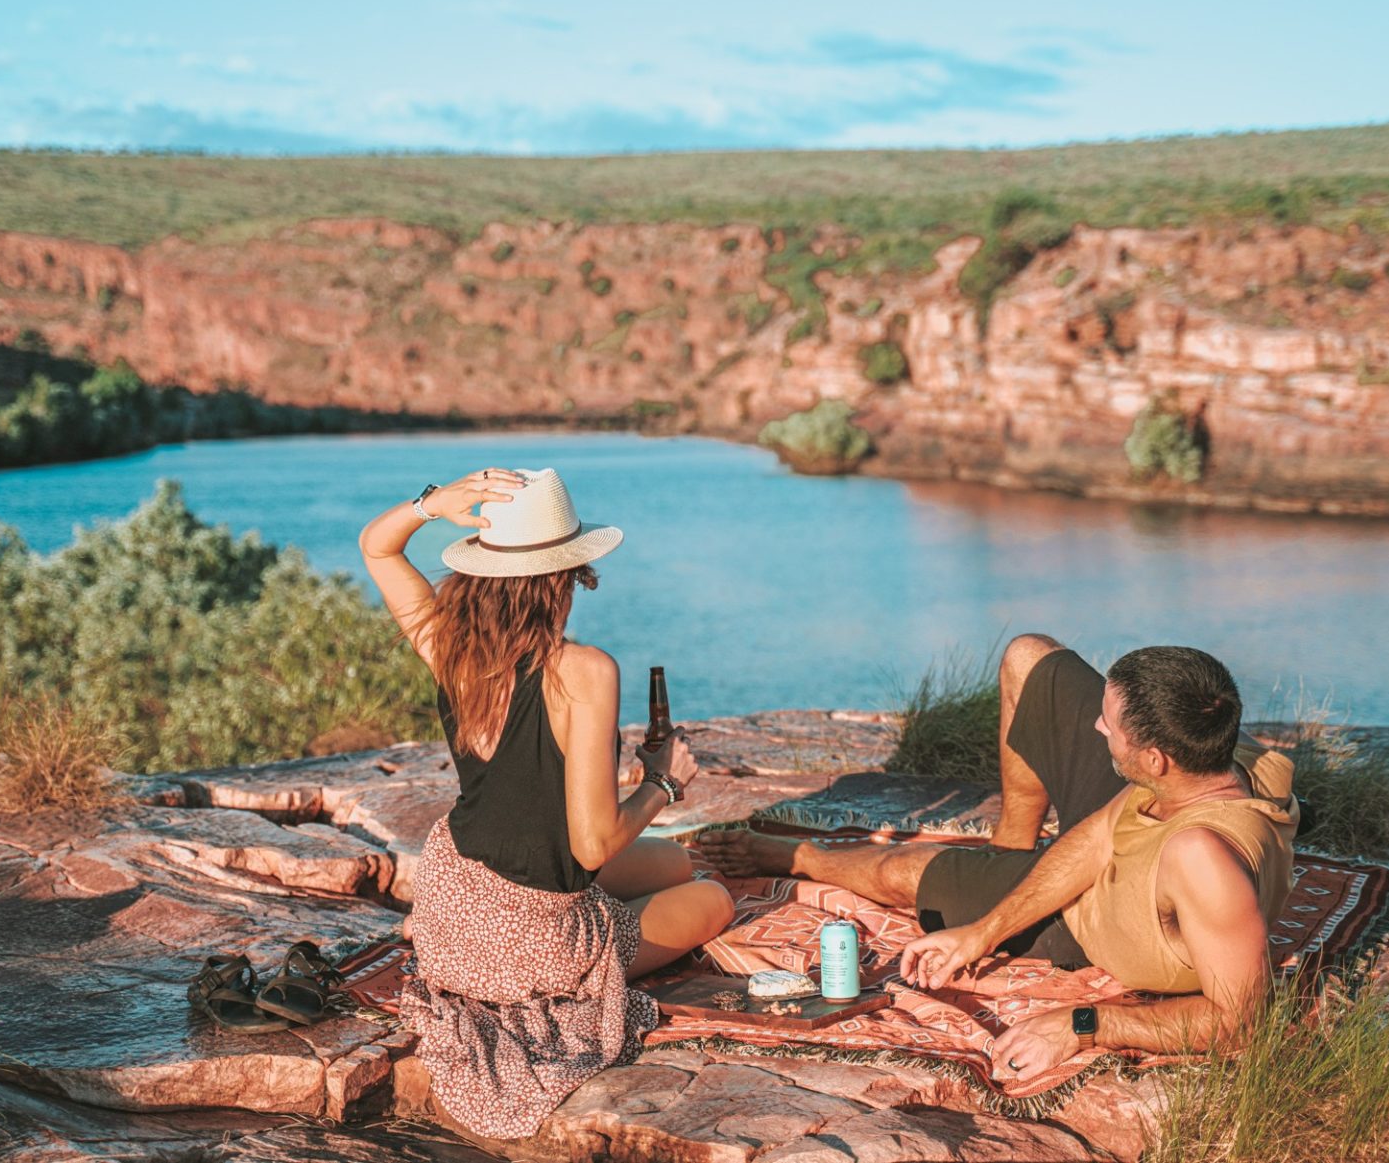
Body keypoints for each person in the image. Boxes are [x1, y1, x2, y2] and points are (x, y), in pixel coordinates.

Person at [700, 634, 1296, 1086]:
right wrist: (982, 933)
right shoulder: (1196, 760)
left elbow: (1240, 1021)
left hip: (1090, 923)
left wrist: (1082, 1024)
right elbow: (1093, 839)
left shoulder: (1202, 858)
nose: (1096, 725)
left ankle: (797, 855)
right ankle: (1009, 850)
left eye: (1108, 726)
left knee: (903, 873)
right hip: (1136, 816)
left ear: (1155, 758)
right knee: (1030, 656)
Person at [361, 466, 734, 1139]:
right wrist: (663, 783)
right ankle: (611, 932)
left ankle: (612, 906)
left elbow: (376, 547)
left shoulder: (450, 643)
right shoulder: (585, 671)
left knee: (671, 863)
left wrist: (433, 504)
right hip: (535, 948)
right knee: (711, 896)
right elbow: (592, 844)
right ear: (567, 575)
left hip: (452, 914)